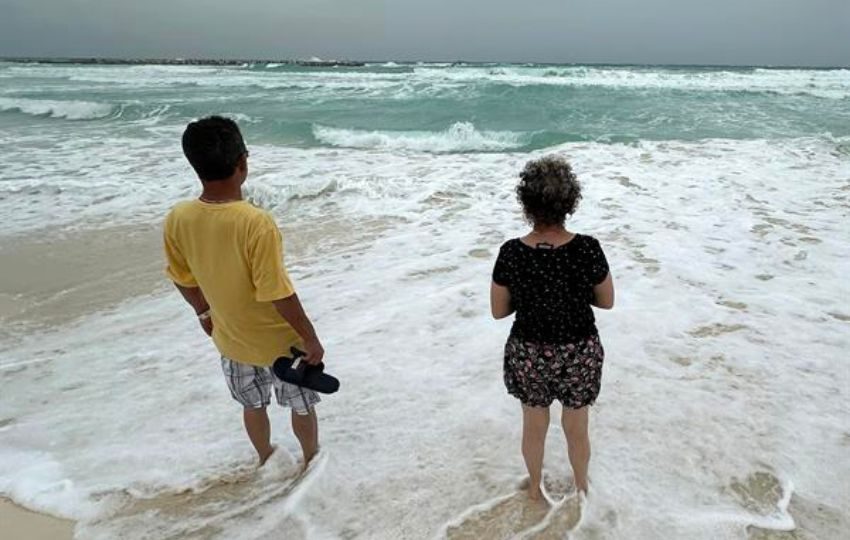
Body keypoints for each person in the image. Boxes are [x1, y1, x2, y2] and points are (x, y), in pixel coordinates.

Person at [163, 116, 325, 468]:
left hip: (230, 339)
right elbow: (277, 292)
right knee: (301, 404)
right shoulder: (255, 222)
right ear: (242, 163)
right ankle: (311, 461)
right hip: (281, 345)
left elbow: (181, 277)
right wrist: (309, 337)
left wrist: (203, 312)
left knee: (252, 404)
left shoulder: (179, 217)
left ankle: (266, 457)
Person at [490, 156, 614, 500]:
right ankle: (581, 487)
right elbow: (607, 301)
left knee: (534, 425)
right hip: (578, 350)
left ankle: (534, 488)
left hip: (529, 350)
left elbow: (499, 311)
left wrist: (532, 297)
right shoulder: (588, 248)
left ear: (526, 203)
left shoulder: (511, 252)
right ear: (570, 202)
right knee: (577, 427)